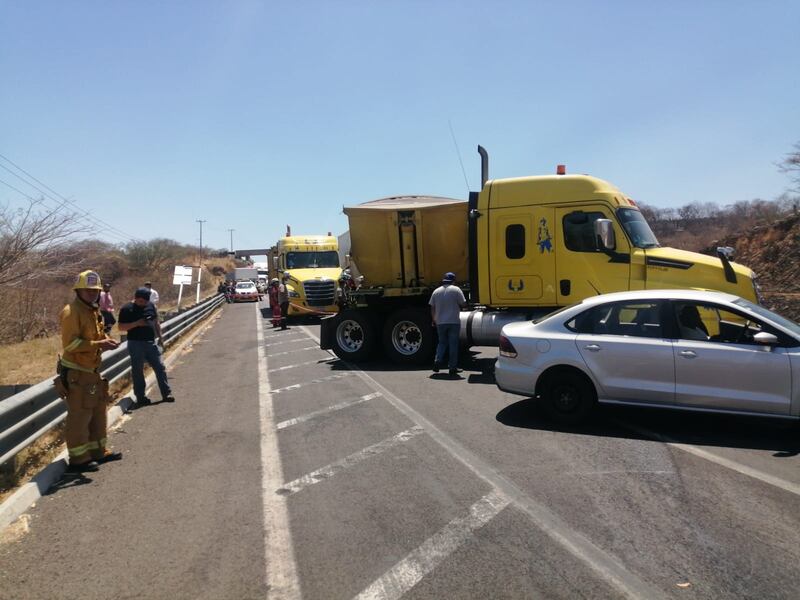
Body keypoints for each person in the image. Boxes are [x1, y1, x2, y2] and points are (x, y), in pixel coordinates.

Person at [57, 270, 122, 473]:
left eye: (95, 291)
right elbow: (70, 345)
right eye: (88, 290)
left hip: (91, 372)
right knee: (80, 416)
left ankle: (98, 452)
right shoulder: (71, 312)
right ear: (78, 291)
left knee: (97, 413)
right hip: (77, 374)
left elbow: (96, 335)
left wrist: (106, 340)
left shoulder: (93, 310)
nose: (92, 294)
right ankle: (78, 460)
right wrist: (99, 344)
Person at [118, 287, 175, 406]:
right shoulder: (126, 309)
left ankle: (166, 393)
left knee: (160, 367)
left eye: (145, 302)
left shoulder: (150, 306)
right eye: (141, 302)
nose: (143, 304)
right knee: (138, 371)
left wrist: (160, 337)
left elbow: (156, 321)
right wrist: (136, 323)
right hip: (135, 343)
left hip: (150, 342)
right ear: (136, 298)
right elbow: (121, 327)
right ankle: (141, 397)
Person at [429, 272, 466, 377]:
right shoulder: (456, 290)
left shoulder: (436, 291)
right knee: (453, 344)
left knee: (442, 343)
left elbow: (432, 307)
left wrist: (434, 319)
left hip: (440, 322)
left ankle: (437, 361)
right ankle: (452, 368)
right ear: (453, 281)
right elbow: (463, 303)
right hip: (453, 321)